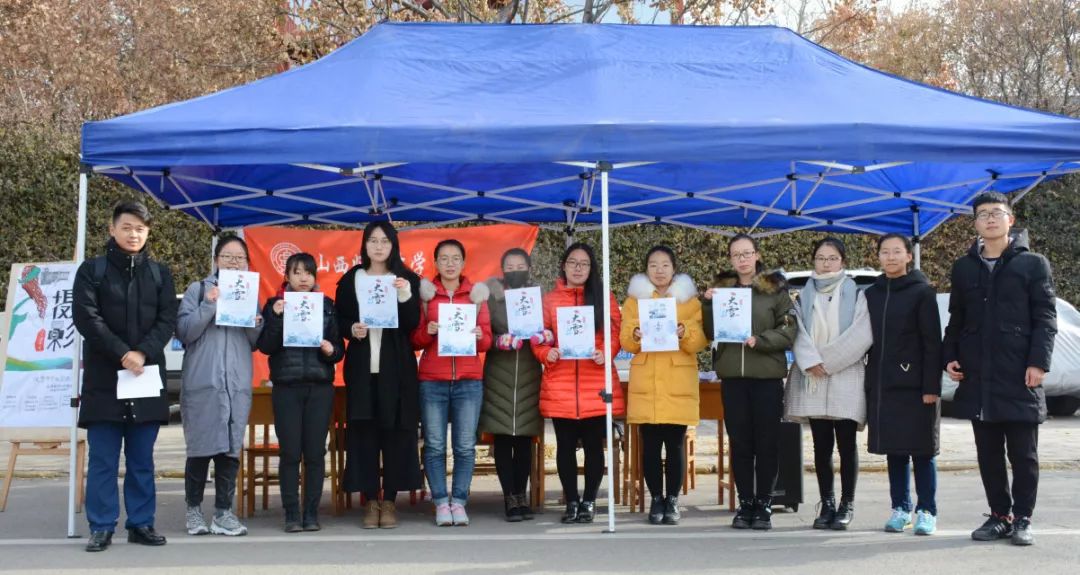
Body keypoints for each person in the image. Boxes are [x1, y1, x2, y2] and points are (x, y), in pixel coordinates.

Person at [943, 192, 1056, 546]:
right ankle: (999, 516)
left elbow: (1046, 318)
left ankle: (1023, 518)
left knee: (1024, 455)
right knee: (988, 454)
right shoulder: (964, 268)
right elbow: (956, 318)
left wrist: (1038, 362)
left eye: (996, 212)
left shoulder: (1033, 264)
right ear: (975, 223)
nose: (990, 219)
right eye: (982, 214)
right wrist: (949, 356)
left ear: (1010, 219)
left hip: (1019, 373)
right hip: (978, 376)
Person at [73, 201, 177, 552]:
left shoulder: (160, 274)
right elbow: (87, 318)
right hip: (105, 380)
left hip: (145, 377)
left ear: (148, 233)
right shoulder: (93, 270)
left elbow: (167, 319)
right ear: (112, 229)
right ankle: (101, 526)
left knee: (141, 459)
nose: (134, 234)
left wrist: (142, 352)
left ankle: (141, 523)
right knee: (102, 459)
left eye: (140, 229)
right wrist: (122, 353)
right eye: (127, 227)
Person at [702, 233, 795, 531]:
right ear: (730, 259)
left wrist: (761, 340)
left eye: (747, 253)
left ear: (757, 255)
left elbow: (789, 329)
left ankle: (764, 503)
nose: (742, 259)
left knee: (767, 444)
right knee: (740, 443)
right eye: (736, 254)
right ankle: (745, 503)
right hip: (733, 378)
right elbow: (709, 331)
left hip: (767, 377)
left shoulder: (775, 288)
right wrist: (707, 304)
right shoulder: (722, 289)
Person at [336, 221, 423, 530]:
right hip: (362, 370)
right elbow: (339, 318)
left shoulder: (405, 279)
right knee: (364, 436)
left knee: (396, 435)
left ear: (393, 245)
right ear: (364, 245)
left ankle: (390, 501)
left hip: (396, 371)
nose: (378, 246)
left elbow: (412, 323)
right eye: (373, 240)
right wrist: (351, 329)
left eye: (384, 241)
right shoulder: (352, 279)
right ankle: (371, 500)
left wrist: (405, 294)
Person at [532, 242, 625, 524]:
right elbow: (539, 336)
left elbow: (616, 333)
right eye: (573, 262)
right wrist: (546, 353)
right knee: (565, 446)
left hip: (595, 383)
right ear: (564, 265)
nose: (578, 268)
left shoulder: (604, 297)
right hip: (560, 384)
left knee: (595, 446)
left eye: (584, 264)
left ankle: (589, 501)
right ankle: (571, 501)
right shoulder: (550, 300)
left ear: (591, 268)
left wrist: (606, 352)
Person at [176, 235, 263, 538]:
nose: (234, 263)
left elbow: (255, 342)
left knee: (230, 450)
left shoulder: (249, 292)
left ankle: (223, 513)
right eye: (228, 257)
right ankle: (193, 510)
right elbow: (185, 332)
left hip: (236, 383)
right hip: (204, 382)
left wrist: (256, 322)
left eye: (240, 258)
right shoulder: (198, 290)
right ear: (216, 260)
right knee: (200, 449)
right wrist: (208, 304)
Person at [785, 237, 872, 530]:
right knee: (821, 446)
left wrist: (828, 362)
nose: (826, 263)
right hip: (812, 376)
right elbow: (797, 332)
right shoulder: (802, 296)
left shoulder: (856, 294)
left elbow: (862, 334)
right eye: (821, 258)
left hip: (845, 375)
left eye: (832, 258)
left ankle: (847, 503)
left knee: (847, 445)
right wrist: (811, 361)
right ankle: (827, 503)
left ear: (842, 261)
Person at [256, 252, 345, 532]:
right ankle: (292, 514)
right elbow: (265, 346)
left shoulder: (326, 306)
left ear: (315, 276)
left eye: (308, 272)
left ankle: (311, 513)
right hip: (287, 387)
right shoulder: (274, 305)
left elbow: (339, 350)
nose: (303, 278)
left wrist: (330, 350)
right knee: (290, 453)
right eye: (297, 272)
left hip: (319, 388)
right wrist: (276, 317)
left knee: (315, 453)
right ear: (287, 277)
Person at [620, 245, 707, 525]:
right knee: (650, 445)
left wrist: (685, 331)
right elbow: (625, 340)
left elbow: (700, 341)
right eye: (653, 265)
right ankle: (656, 499)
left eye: (665, 265)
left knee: (675, 444)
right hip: (647, 381)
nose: (659, 270)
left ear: (674, 269)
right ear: (646, 269)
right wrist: (635, 333)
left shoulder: (689, 301)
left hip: (677, 380)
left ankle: (673, 500)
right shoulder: (634, 300)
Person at [864, 234, 942, 536]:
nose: (891, 257)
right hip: (883, 386)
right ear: (878, 257)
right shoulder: (871, 294)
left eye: (897, 252)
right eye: (885, 252)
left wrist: (931, 387)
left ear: (909, 256)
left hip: (917, 387)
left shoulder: (922, 292)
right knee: (894, 451)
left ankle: (927, 510)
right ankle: (900, 507)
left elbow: (932, 342)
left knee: (923, 451)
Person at [411, 239, 493, 527]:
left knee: (465, 446)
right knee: (434, 445)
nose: (449, 263)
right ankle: (440, 502)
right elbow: (414, 339)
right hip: (432, 381)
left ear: (463, 262)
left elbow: (487, 341)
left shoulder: (476, 296)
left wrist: (479, 336)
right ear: (435, 263)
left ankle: (458, 501)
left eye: (455, 258)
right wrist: (428, 331)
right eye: (444, 258)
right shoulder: (425, 296)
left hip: (469, 381)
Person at [480, 248, 544, 522]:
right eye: (509, 266)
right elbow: (483, 333)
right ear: (502, 269)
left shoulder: (538, 296)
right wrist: (499, 341)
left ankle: (522, 495)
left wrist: (546, 335)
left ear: (528, 268)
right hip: (499, 374)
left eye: (520, 265)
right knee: (504, 438)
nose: (515, 270)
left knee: (525, 439)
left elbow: (550, 326)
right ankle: (510, 497)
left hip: (529, 372)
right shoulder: (490, 296)